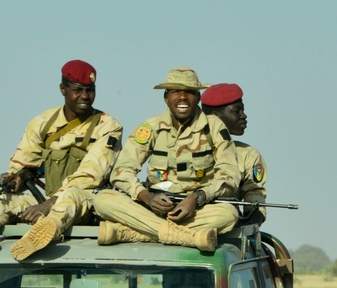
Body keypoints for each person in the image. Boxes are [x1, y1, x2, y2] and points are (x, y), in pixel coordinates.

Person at [0, 60, 123, 261]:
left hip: (86, 203)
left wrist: (49, 205)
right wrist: (16, 179)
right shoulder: (42, 123)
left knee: (72, 195)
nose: (85, 97)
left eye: (90, 90)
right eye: (78, 90)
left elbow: (89, 175)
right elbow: (24, 163)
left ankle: (45, 232)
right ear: (62, 89)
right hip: (46, 199)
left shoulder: (107, 126)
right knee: (0, 198)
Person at [92, 67, 240, 251]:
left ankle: (136, 233)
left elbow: (229, 175)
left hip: (197, 210)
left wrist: (197, 198)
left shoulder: (213, 127)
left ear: (198, 97)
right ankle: (184, 237)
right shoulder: (151, 127)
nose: (183, 97)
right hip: (152, 208)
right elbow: (121, 171)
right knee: (103, 200)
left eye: (189, 92)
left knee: (228, 214)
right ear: (166, 98)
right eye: (176, 92)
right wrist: (146, 197)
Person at [200, 83, 267, 222]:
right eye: (237, 111)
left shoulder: (248, 155)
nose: (244, 116)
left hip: (225, 226)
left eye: (243, 110)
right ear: (214, 117)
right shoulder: (184, 145)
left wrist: (252, 219)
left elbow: (255, 198)